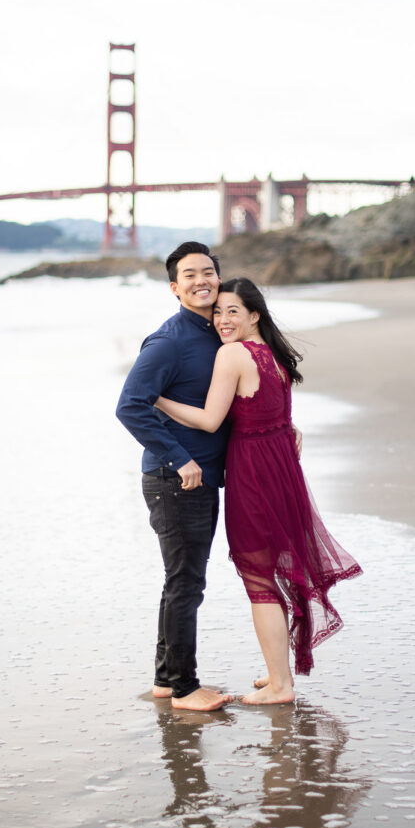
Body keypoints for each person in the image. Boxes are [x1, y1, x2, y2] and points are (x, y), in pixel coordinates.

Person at [155, 278, 362, 705]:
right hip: (281, 469)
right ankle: (276, 675)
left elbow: (211, 420)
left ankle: (281, 685)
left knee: (259, 581)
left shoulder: (232, 354)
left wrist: (158, 399)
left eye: (234, 311)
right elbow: (270, 412)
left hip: (254, 473)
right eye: (219, 312)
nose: (223, 320)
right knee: (268, 574)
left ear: (254, 315)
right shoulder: (273, 355)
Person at [116, 242, 233, 712]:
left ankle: (167, 680)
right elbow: (129, 405)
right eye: (190, 274)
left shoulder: (218, 335)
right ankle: (185, 688)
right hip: (176, 479)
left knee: (181, 581)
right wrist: (180, 458)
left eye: (208, 271)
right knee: (186, 583)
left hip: (197, 478)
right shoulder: (169, 341)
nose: (201, 280)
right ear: (174, 287)